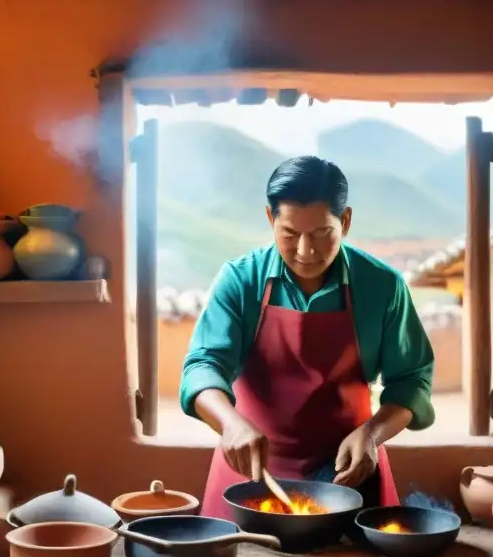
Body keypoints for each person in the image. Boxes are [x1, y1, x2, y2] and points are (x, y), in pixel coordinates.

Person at [180, 155, 436, 521]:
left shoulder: (382, 285)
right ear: (270, 219)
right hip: (250, 476)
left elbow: (411, 380)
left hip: (347, 476)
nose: (305, 251)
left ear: (345, 221)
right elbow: (202, 367)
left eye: (320, 234)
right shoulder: (240, 280)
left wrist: (373, 435)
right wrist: (230, 423)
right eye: (289, 234)